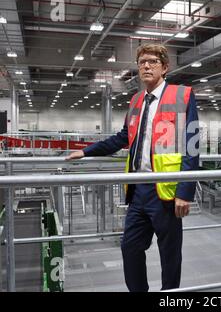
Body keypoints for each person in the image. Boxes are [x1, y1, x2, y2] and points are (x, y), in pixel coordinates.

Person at [66, 43, 199, 292]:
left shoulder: (182, 96)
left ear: (165, 67)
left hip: (166, 193)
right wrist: (85, 151)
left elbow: (192, 146)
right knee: (130, 247)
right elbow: (122, 137)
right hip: (138, 191)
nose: (146, 66)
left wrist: (185, 192)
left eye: (152, 62)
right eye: (141, 62)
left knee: (170, 256)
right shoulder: (137, 100)